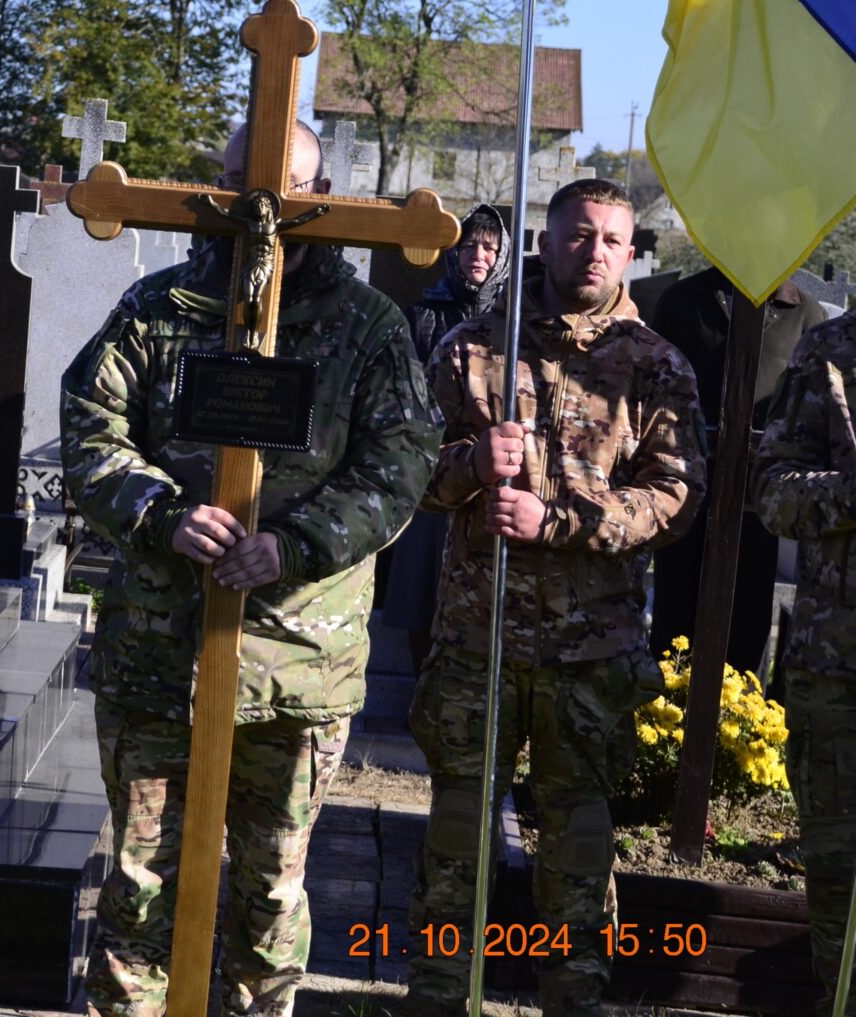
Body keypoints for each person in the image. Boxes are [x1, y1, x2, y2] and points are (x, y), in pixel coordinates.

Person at [61, 120, 442, 1017]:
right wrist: (158, 512)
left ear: (323, 198)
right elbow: (90, 425)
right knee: (140, 879)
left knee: (270, 896)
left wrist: (294, 544)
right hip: (160, 651)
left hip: (299, 664)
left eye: (283, 187)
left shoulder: (368, 328)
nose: (256, 209)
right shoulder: (159, 310)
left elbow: (402, 459)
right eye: (236, 182)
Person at [403, 178, 709, 1017]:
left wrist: (562, 520)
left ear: (631, 250)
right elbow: (399, 473)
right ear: (545, 241)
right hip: (479, 637)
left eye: (613, 239)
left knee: (577, 841)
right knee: (459, 829)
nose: (596, 252)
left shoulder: (655, 366)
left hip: (592, 651)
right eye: (580, 235)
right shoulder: (473, 348)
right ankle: (438, 990)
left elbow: (678, 496)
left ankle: (572, 996)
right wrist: (470, 467)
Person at [753, 306, 856, 1017]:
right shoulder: (829, 351)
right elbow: (773, 493)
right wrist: (849, 492)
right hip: (837, 663)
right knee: (839, 864)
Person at [649, 266, 826, 676]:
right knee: (674, 624)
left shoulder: (806, 314)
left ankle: (739, 730)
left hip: (757, 504)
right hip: (684, 496)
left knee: (745, 632)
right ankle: (660, 729)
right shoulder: (683, 300)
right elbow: (654, 393)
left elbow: (812, 411)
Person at [383, 204, 512, 673]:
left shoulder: (512, 322)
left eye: (489, 246)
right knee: (421, 586)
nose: (479, 254)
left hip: (492, 471)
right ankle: (422, 683)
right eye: (470, 245)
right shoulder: (420, 315)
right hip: (431, 465)